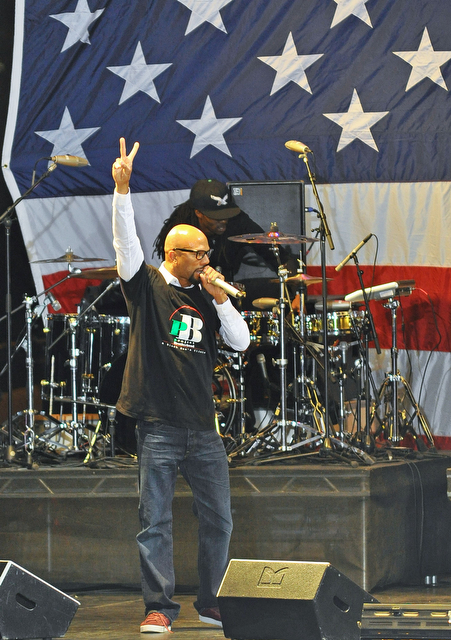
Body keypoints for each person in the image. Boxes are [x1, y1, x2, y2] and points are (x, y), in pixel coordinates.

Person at [111, 137, 250, 633]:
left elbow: (241, 343)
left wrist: (221, 300)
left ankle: (211, 602)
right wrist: (122, 192)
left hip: (203, 428)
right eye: (199, 253)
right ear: (175, 253)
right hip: (158, 426)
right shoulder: (147, 286)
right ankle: (159, 607)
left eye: (208, 252)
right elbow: (125, 245)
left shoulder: (209, 298)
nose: (207, 258)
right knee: (156, 522)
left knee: (220, 521)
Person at [153, 178, 286, 285]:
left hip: (226, 288)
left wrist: (297, 288)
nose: (224, 220)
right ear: (199, 213)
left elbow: (272, 251)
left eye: (227, 214)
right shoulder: (181, 226)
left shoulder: (237, 221)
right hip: (188, 290)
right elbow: (173, 268)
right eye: (216, 217)